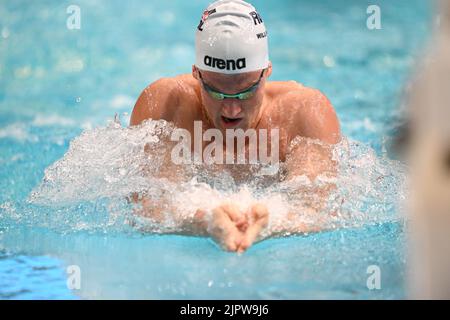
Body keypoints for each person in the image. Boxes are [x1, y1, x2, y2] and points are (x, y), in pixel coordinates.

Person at [130, 0, 340, 253]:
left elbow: (317, 208)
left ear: (267, 71)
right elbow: (150, 206)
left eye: (245, 91)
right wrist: (205, 220)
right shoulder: (166, 105)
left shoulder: (303, 112)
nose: (231, 110)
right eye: (216, 92)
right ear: (197, 73)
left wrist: (271, 221)